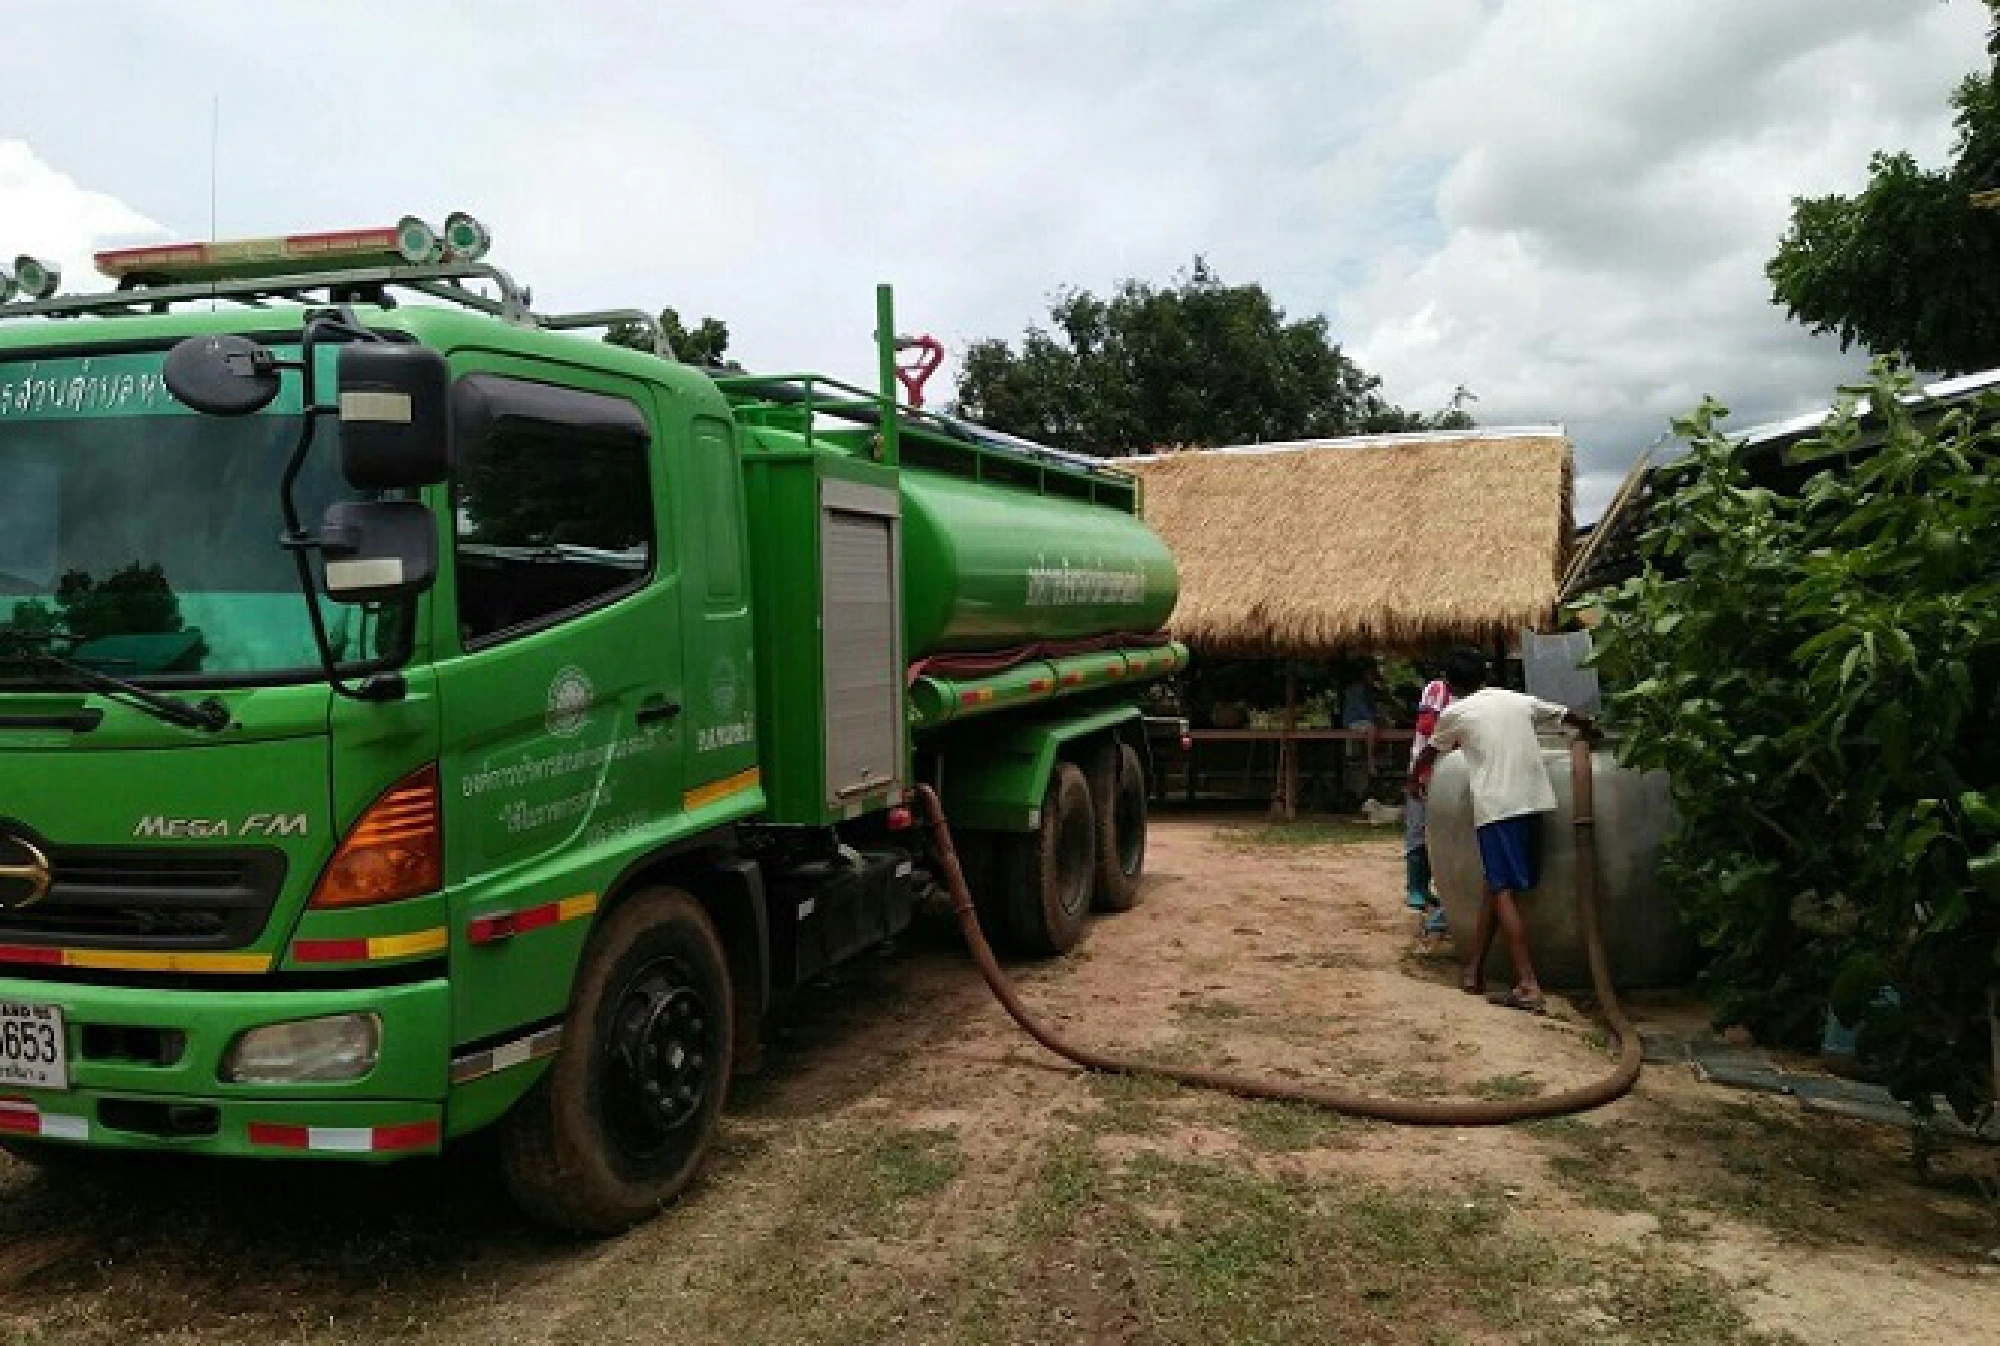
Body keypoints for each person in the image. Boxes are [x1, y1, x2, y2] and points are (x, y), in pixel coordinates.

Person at [1408, 649, 1594, 1014]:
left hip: (1498, 809)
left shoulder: (1456, 713)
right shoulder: (1515, 699)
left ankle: (1527, 984)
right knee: (1495, 883)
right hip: (1535, 800)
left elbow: (1430, 752)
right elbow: (1566, 714)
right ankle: (1474, 970)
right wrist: (1589, 730)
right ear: (1485, 674)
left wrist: (1415, 780)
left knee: (1504, 890)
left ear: (1449, 683)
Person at [1402, 669, 1453, 943]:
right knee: (1418, 831)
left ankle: (1432, 894)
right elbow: (1426, 727)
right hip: (1429, 769)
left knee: (1442, 838)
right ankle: (1417, 889)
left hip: (1450, 774)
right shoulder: (1437, 689)